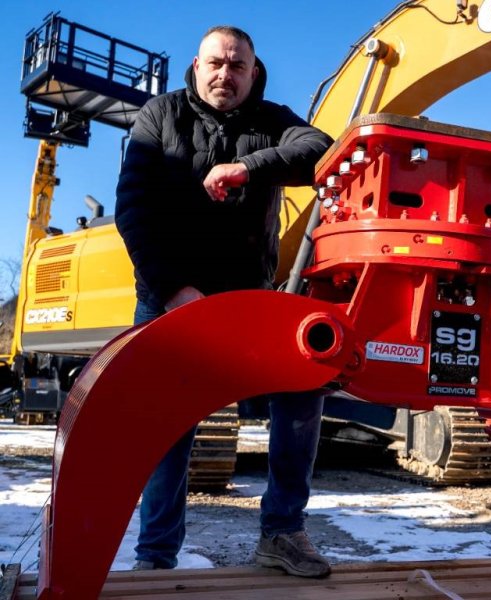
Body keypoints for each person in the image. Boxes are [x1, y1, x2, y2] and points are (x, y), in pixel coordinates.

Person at [115, 25, 334, 578]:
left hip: (247, 296)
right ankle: (155, 556)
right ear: (196, 64)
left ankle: (282, 533)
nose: (225, 75)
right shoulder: (158, 118)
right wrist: (174, 291)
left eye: (237, 67)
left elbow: (321, 152)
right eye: (216, 63)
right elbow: (134, 212)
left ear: (253, 73)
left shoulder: (272, 120)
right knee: (168, 425)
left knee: (304, 383)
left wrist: (249, 166)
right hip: (169, 298)